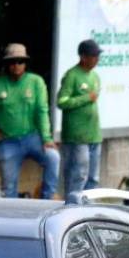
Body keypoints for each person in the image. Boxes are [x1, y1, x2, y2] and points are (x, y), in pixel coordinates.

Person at [0, 44, 59, 199]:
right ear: (7, 64)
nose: (16, 65)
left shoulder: (35, 81)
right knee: (9, 186)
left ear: (25, 63)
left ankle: (47, 200)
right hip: (7, 140)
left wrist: (46, 138)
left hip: (33, 137)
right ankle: (12, 214)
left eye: (20, 61)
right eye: (12, 62)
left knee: (53, 157)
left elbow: (42, 111)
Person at [57, 39, 103, 202]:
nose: (97, 59)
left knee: (93, 178)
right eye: (93, 56)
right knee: (78, 175)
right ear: (83, 57)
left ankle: (89, 210)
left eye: (98, 56)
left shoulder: (95, 76)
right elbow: (61, 101)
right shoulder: (72, 76)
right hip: (77, 136)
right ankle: (72, 208)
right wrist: (85, 98)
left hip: (94, 134)